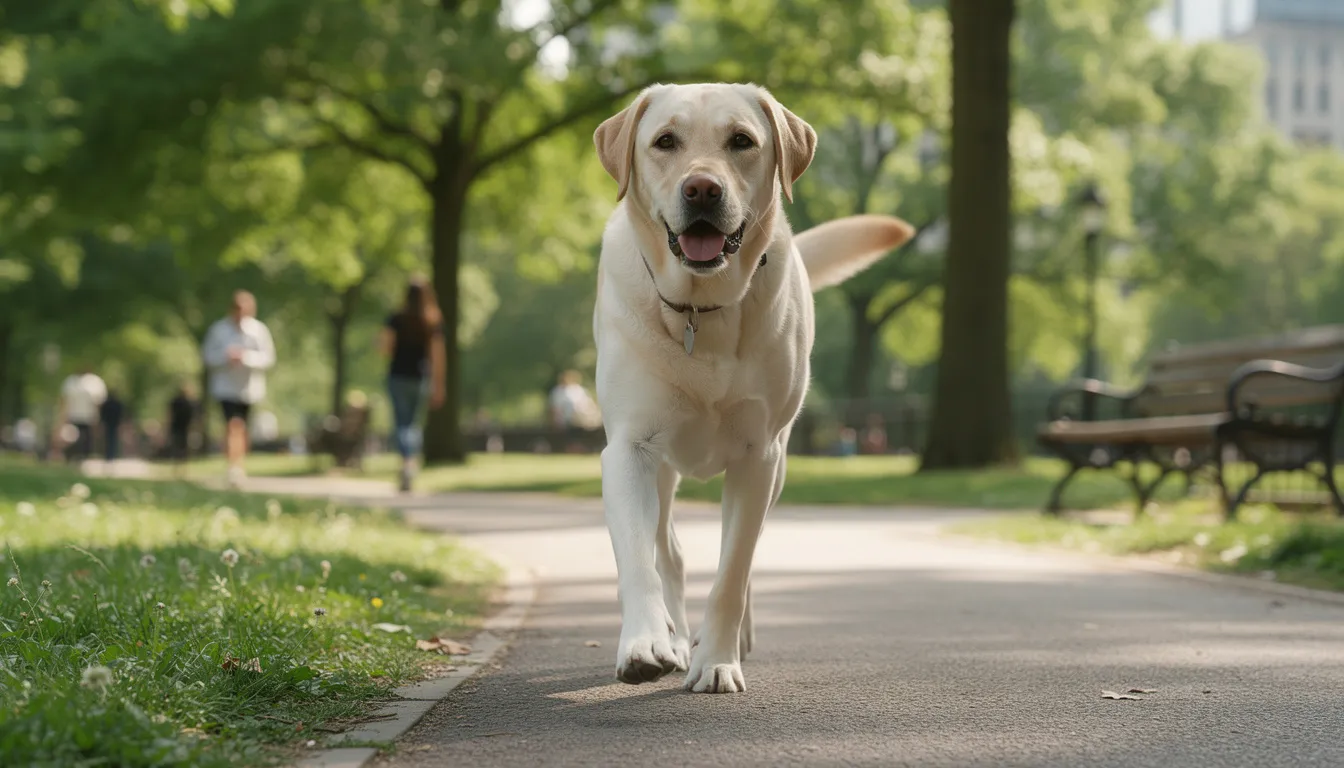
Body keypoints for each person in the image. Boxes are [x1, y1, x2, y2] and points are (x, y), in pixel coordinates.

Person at [201, 290, 276, 488]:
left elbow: (268, 358)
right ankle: (234, 467)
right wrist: (226, 358)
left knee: (242, 429)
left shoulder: (259, 331)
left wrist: (246, 358)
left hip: (249, 389)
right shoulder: (219, 330)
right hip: (225, 388)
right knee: (233, 426)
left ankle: (237, 463)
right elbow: (207, 356)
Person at [378, 277, 446, 493]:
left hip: (398, 376)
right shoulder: (432, 322)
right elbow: (438, 356)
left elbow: (386, 349)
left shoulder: (396, 319)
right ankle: (411, 462)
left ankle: (405, 461)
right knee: (413, 424)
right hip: (419, 378)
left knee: (401, 423)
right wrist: (439, 384)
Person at [57, 366, 107, 464]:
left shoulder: (93, 382)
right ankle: (75, 458)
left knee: (84, 439)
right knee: (74, 439)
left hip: (86, 417)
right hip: (75, 416)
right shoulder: (72, 382)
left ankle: (81, 458)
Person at [168, 383, 197, 474]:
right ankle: (180, 467)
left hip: (181, 427)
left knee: (180, 446)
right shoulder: (188, 402)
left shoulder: (189, 402)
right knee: (181, 446)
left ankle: (180, 466)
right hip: (180, 427)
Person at [99, 389, 125, 462]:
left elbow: (102, 414)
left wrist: (102, 422)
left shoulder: (106, 404)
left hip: (108, 423)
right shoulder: (118, 404)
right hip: (115, 424)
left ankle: (108, 455)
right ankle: (112, 454)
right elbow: (121, 414)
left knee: (108, 439)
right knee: (113, 439)